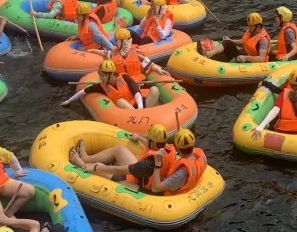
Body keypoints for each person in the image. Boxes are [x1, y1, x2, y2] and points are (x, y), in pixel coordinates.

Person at [70, 126, 207, 198]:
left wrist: (95, 169)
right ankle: (86, 157)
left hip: (150, 190)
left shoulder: (149, 165)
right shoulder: (199, 157)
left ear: (178, 148)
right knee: (119, 150)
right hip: (153, 175)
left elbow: (118, 170)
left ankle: (82, 164)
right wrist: (140, 138)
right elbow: (154, 145)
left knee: (108, 171)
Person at [61, 59, 159, 109]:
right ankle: (139, 115)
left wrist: (141, 108)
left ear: (111, 74)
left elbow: (135, 90)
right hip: (128, 111)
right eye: (100, 75)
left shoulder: (124, 77)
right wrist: (68, 101)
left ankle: (147, 114)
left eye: (102, 76)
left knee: (154, 90)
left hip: (139, 104)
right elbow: (84, 91)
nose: (101, 78)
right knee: (120, 101)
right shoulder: (101, 86)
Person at [250, 70, 297, 136]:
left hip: (283, 131)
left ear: (290, 82)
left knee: (274, 120)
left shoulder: (283, 94)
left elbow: (275, 110)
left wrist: (261, 126)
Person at [204, 11, 271, 63]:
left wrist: (246, 58)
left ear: (258, 27)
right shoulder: (251, 32)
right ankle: (208, 54)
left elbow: (262, 58)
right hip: (244, 55)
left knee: (237, 58)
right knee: (227, 43)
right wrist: (230, 40)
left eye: (251, 26)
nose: (248, 28)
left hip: (251, 62)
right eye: (248, 25)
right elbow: (243, 42)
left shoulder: (263, 40)